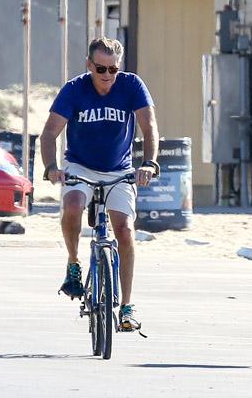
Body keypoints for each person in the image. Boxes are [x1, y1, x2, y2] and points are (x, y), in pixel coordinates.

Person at [40, 36, 159, 332]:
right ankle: (73, 263)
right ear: (89, 65)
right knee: (73, 205)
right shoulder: (74, 89)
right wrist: (52, 168)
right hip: (80, 166)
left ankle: (127, 305)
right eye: (101, 69)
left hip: (118, 169)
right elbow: (49, 134)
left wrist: (149, 162)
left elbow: (149, 126)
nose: (107, 76)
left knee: (124, 229)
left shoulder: (132, 85)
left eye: (113, 69)